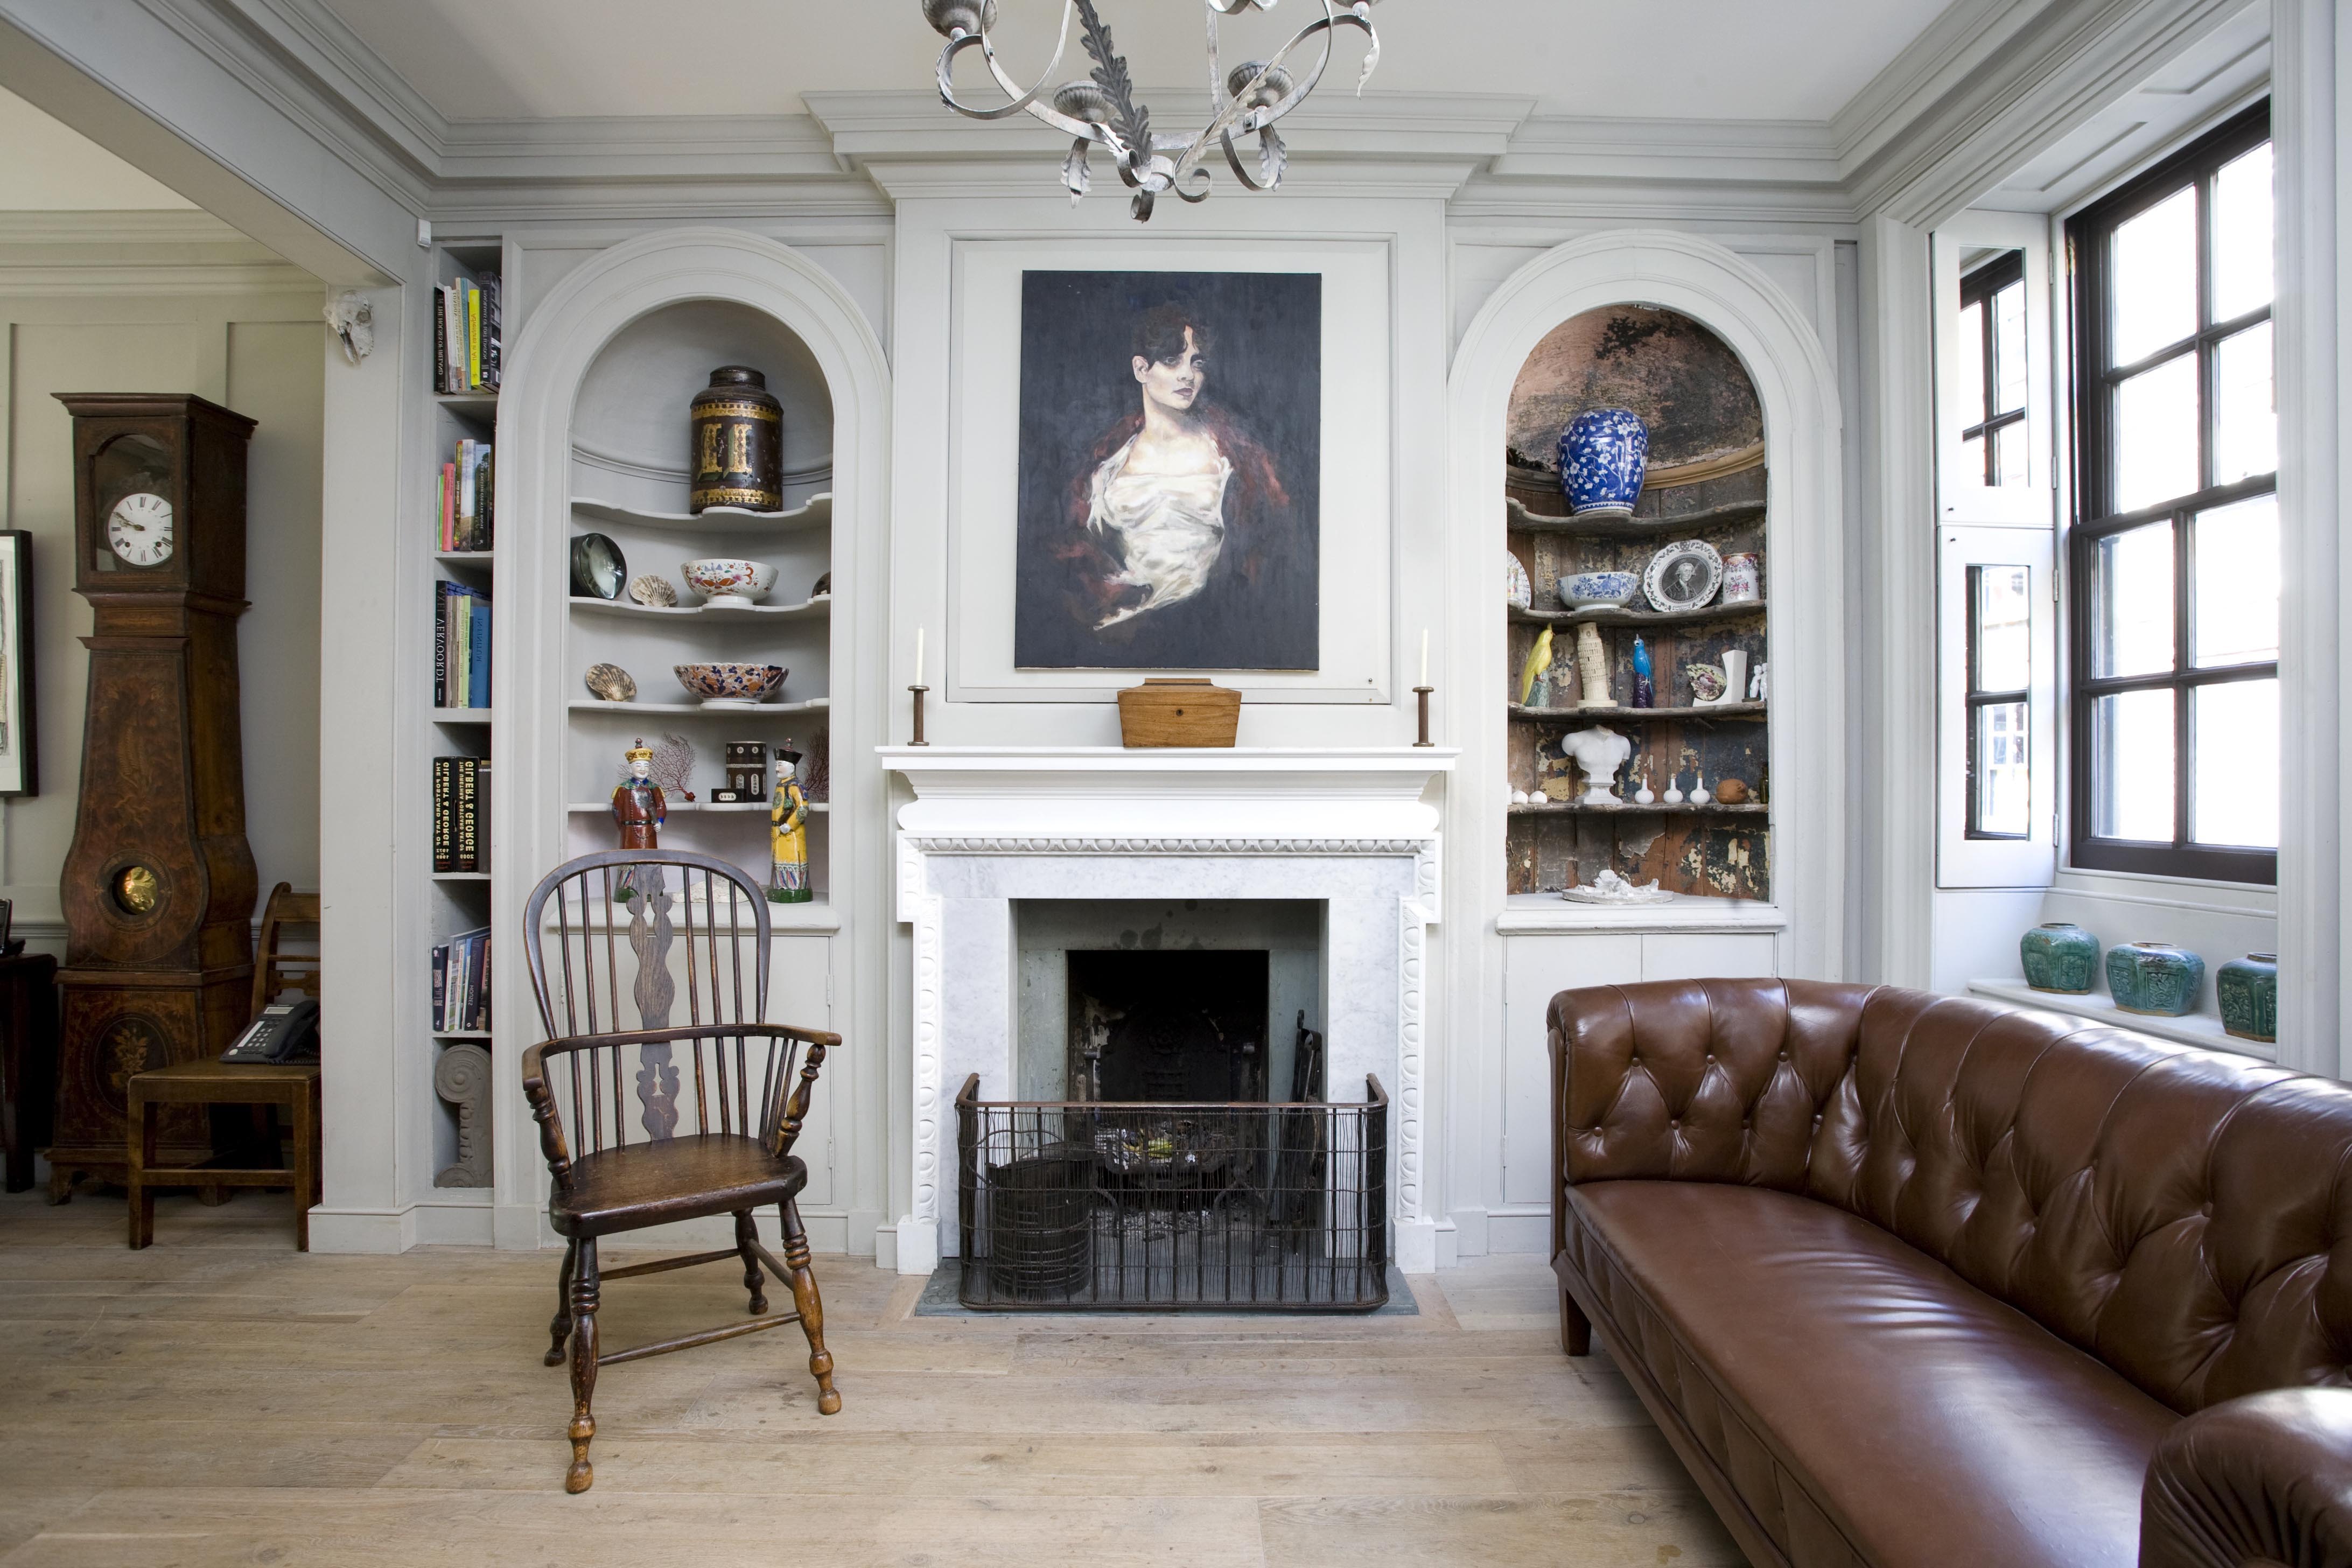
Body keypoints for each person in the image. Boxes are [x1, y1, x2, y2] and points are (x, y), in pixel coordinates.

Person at [1044, 304, 1307, 660]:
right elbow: (1076, 559)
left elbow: (1271, 548)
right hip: (1122, 639)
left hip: (1212, 632)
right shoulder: (1105, 466)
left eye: (1196, 363)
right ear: (1142, 369)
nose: (1188, 375)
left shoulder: (1236, 457)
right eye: (1172, 361)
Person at [768, 748, 811, 905]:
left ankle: (793, 888)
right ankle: (781, 887)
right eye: (776, 765)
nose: (777, 769)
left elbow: (802, 808)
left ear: (791, 767)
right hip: (777, 832)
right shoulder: (780, 785)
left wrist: (789, 825)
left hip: (790, 833)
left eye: (780, 765)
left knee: (792, 861)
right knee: (778, 861)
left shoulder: (796, 786)